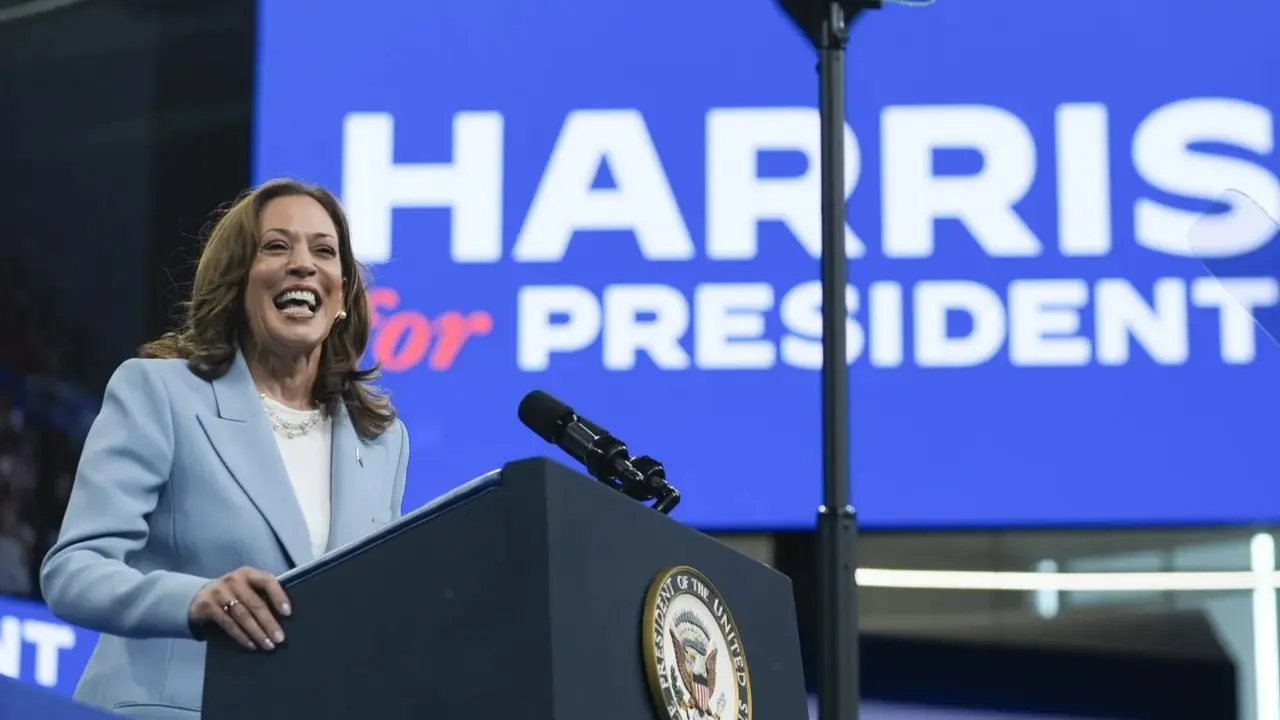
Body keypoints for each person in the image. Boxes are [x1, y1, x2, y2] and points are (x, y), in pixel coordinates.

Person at [40, 178, 410, 719]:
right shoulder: (160, 393)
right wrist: (192, 600)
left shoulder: (380, 439)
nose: (303, 264)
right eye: (276, 246)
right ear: (238, 281)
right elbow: (74, 570)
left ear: (342, 295)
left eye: (324, 251)